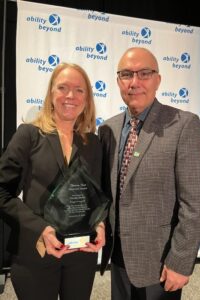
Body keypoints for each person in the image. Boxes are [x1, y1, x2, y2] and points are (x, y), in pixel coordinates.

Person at [98, 47, 200, 300]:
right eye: (126, 74)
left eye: (144, 73)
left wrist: (180, 262)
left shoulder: (183, 125)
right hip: (119, 256)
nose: (134, 82)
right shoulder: (108, 129)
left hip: (160, 262)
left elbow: (194, 204)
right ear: (118, 82)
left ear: (158, 80)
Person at [0, 62, 107, 300]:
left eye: (79, 90)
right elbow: (3, 192)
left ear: (87, 98)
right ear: (51, 93)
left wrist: (99, 223)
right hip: (36, 252)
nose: (71, 95)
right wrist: (41, 229)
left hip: (81, 254)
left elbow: (96, 195)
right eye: (63, 88)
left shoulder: (93, 143)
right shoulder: (28, 134)